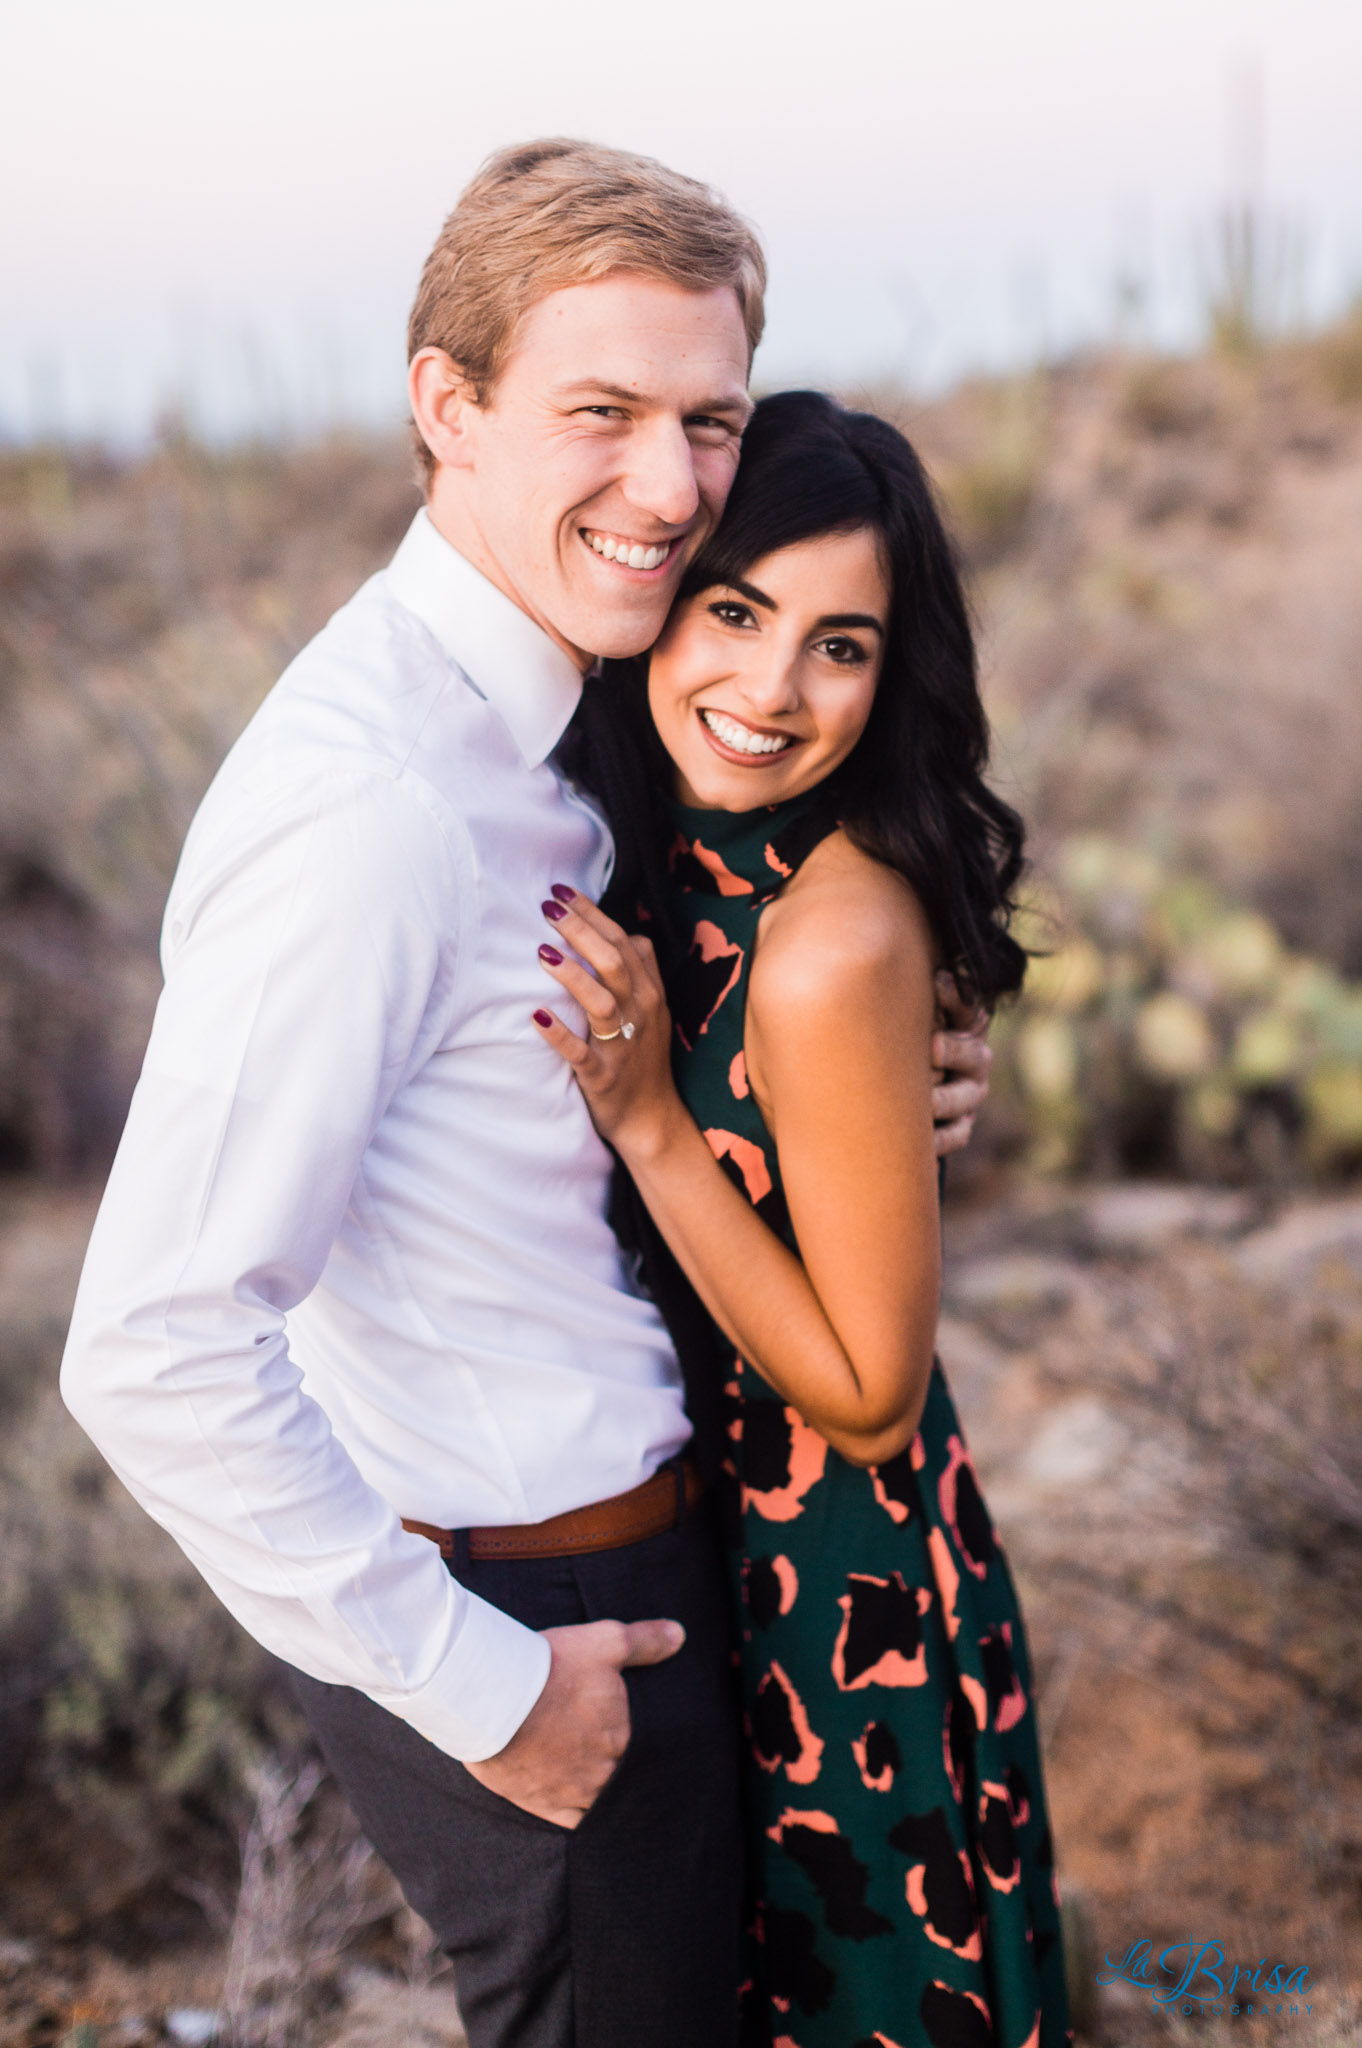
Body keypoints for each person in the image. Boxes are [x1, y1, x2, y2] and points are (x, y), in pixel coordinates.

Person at [58, 143, 992, 2048]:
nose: (669, 490)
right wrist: (485, 1690)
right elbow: (149, 1343)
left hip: (651, 1541)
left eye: (708, 421)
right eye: (602, 414)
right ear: (446, 405)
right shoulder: (375, 804)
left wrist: (879, 1094)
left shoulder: (563, 705)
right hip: (546, 1609)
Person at [532, 390, 1070, 2048]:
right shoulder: (660, 847)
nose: (768, 692)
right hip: (702, 1544)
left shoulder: (828, 934)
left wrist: (647, 1125)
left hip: (837, 1602)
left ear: (892, 675)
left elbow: (865, 1393)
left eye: (841, 647)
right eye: (735, 611)